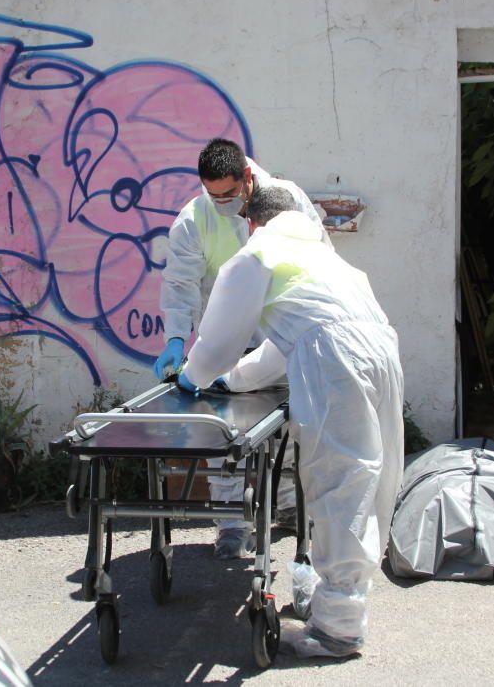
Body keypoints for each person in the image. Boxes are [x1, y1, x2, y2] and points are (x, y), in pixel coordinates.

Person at [176, 186, 404, 658]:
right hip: (382, 351)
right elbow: (277, 350)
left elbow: (217, 342)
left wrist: (194, 377)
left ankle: (338, 632)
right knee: (367, 479)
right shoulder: (324, 260)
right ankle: (341, 606)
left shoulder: (257, 254)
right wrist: (234, 381)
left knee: (338, 480)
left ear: (253, 222)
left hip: (335, 360)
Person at [154, 138, 328, 559]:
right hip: (230, 335)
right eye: (212, 195)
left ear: (247, 179)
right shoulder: (194, 219)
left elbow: (320, 262)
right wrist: (177, 337)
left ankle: (287, 506)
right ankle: (232, 521)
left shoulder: (287, 202)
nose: (221, 203)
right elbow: (180, 282)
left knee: (289, 426)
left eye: (229, 195)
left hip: (281, 332)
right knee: (221, 430)